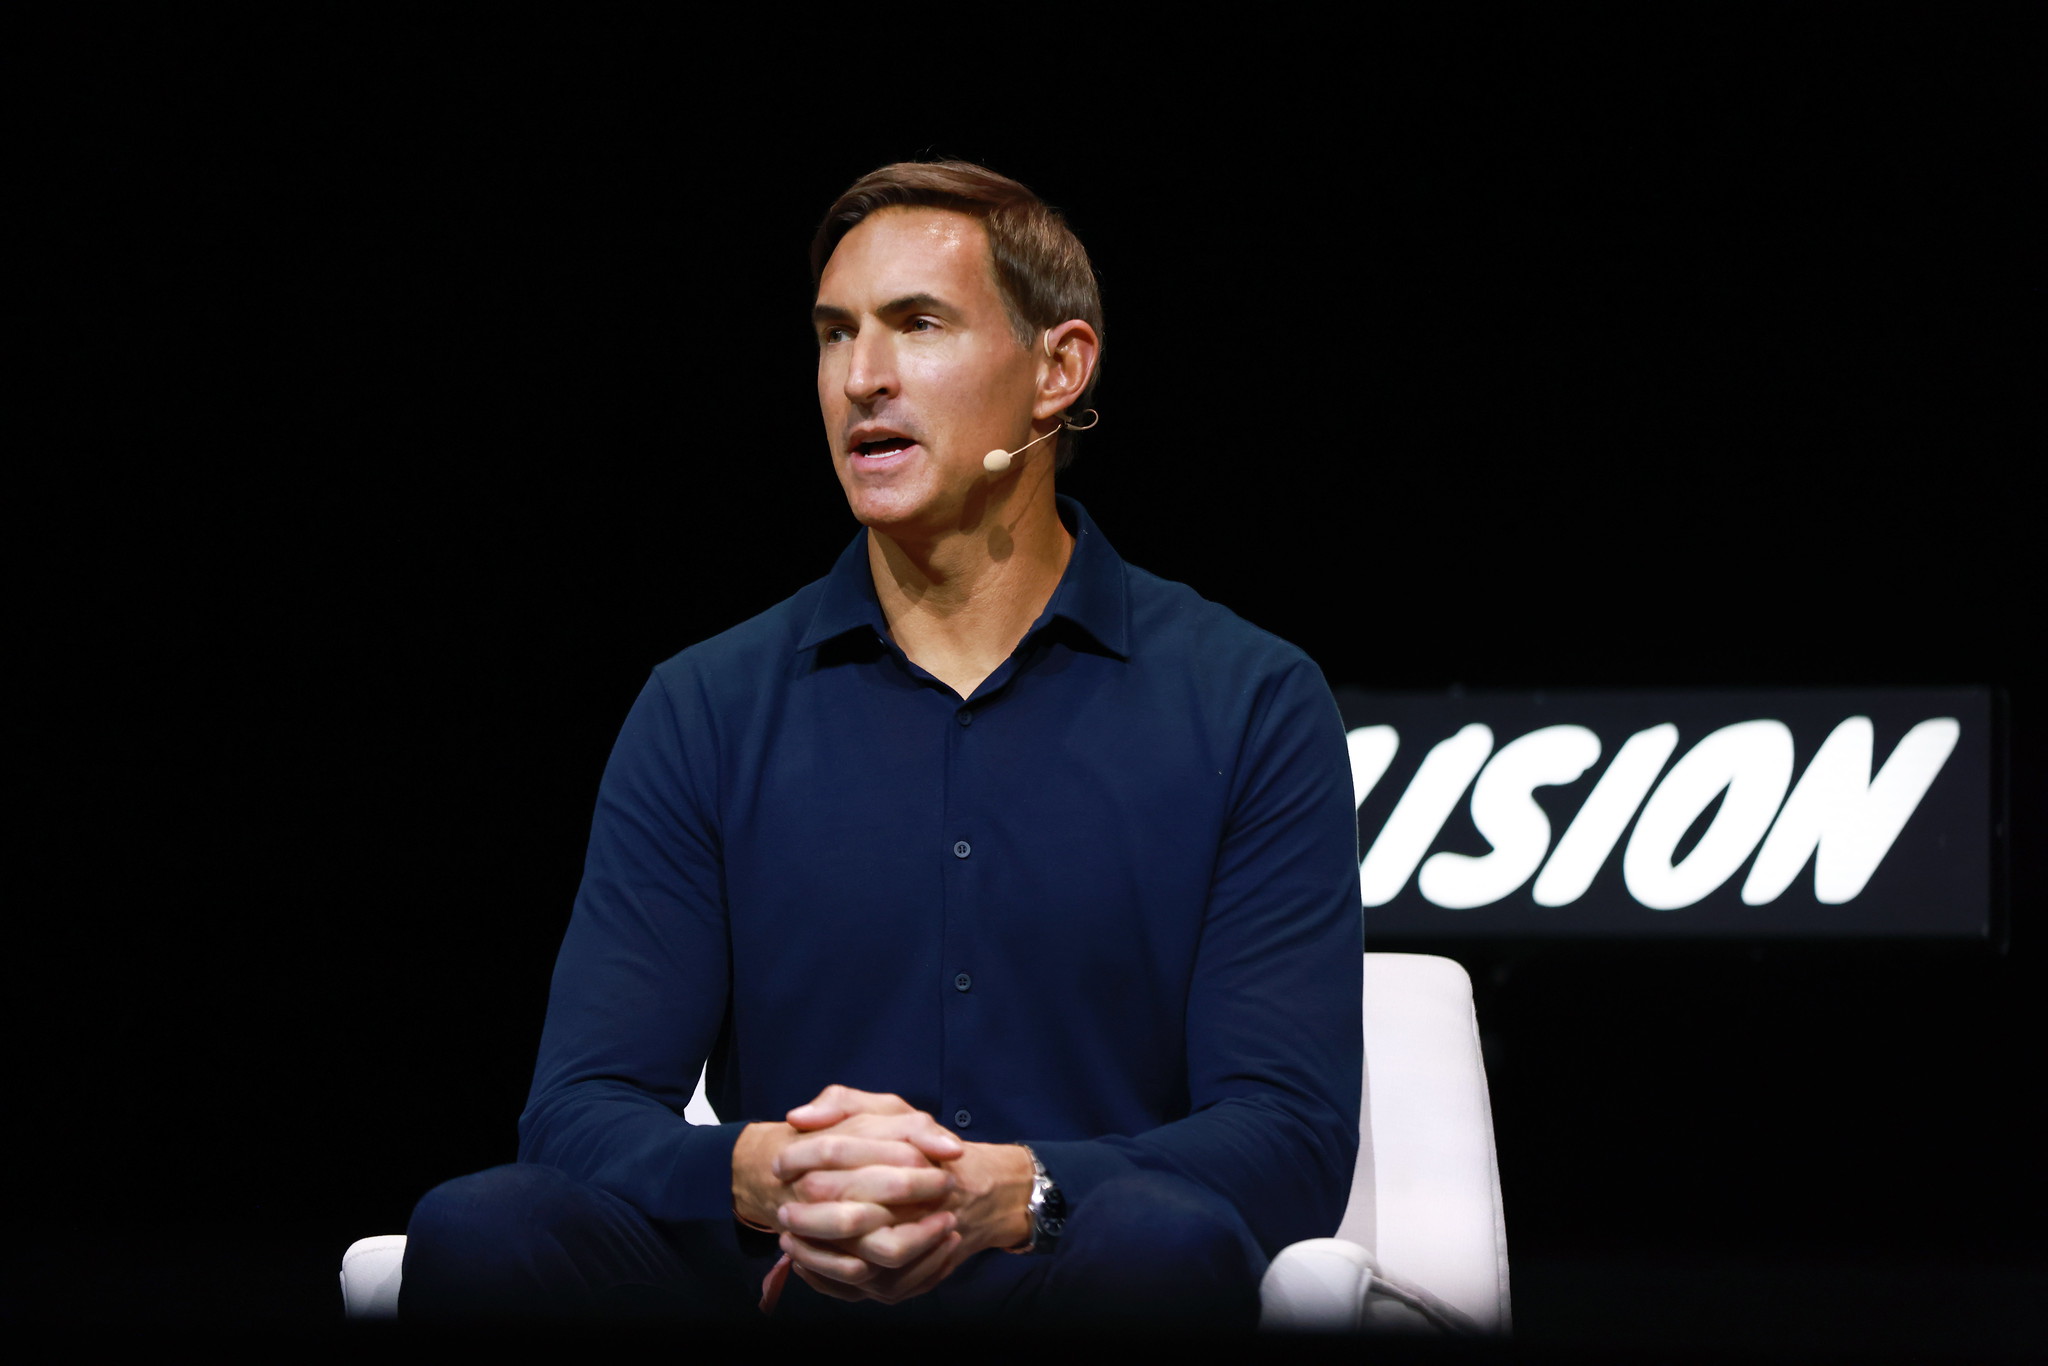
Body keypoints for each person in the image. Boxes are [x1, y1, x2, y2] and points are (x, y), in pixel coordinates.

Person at [402, 160, 1363, 1329]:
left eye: (917, 325)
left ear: (1057, 370)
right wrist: (770, 1173)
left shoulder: (1249, 700)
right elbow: (580, 1108)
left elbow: (1284, 1135)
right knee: (480, 1228)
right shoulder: (704, 704)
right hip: (781, 1282)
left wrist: (1001, 1191)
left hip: (1069, 1274)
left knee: (1161, 1240)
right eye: (832, 335)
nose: (860, 379)